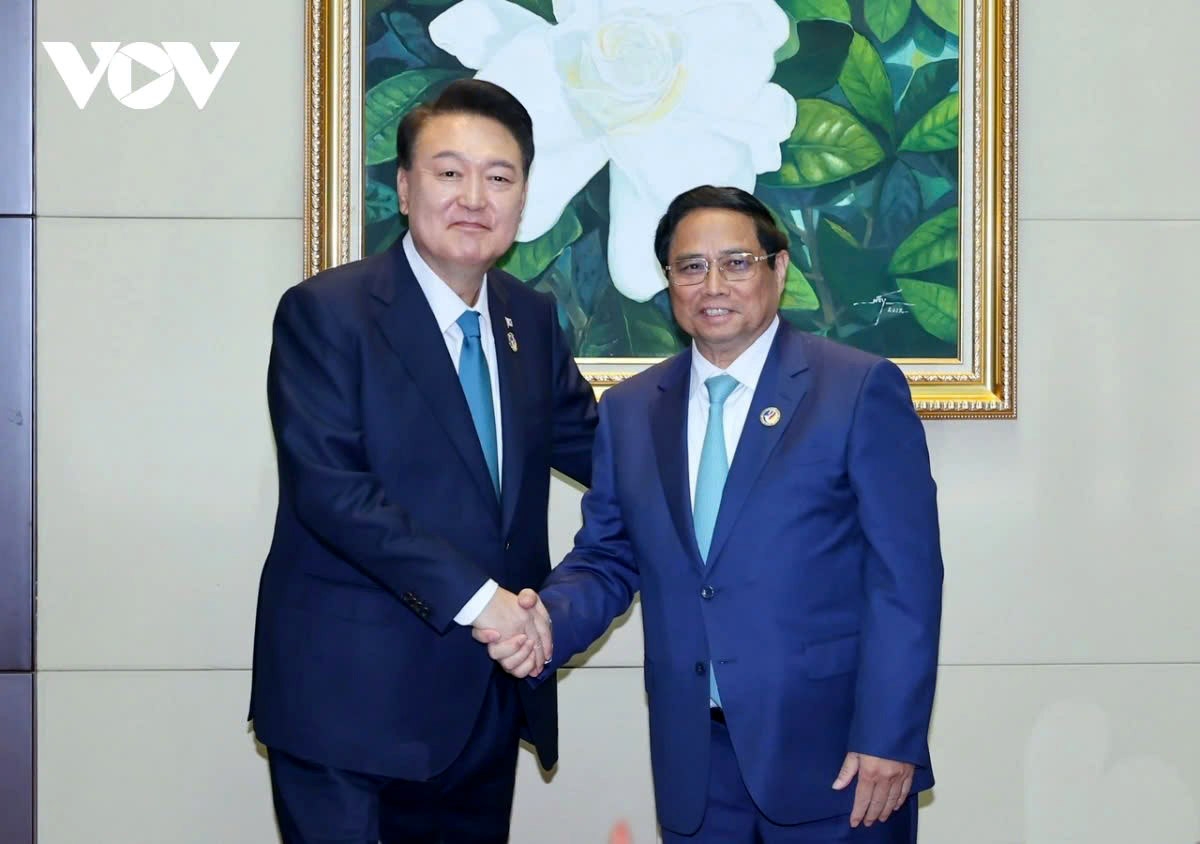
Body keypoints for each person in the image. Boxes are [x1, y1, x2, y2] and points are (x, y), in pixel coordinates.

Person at [481, 186, 943, 842]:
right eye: (690, 266)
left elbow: (908, 580)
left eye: (737, 262)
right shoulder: (632, 409)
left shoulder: (857, 388)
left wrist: (891, 738)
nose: (713, 283)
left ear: (778, 270)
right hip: (695, 763)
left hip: (838, 761)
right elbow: (610, 555)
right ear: (668, 281)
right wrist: (548, 621)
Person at [250, 78, 597, 843]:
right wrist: (485, 602)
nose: (475, 196)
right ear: (406, 188)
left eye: (499, 177)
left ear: (523, 197)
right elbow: (333, 492)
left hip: (483, 705)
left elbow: (609, 454)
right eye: (449, 172)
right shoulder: (327, 313)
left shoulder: (529, 320)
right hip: (350, 710)